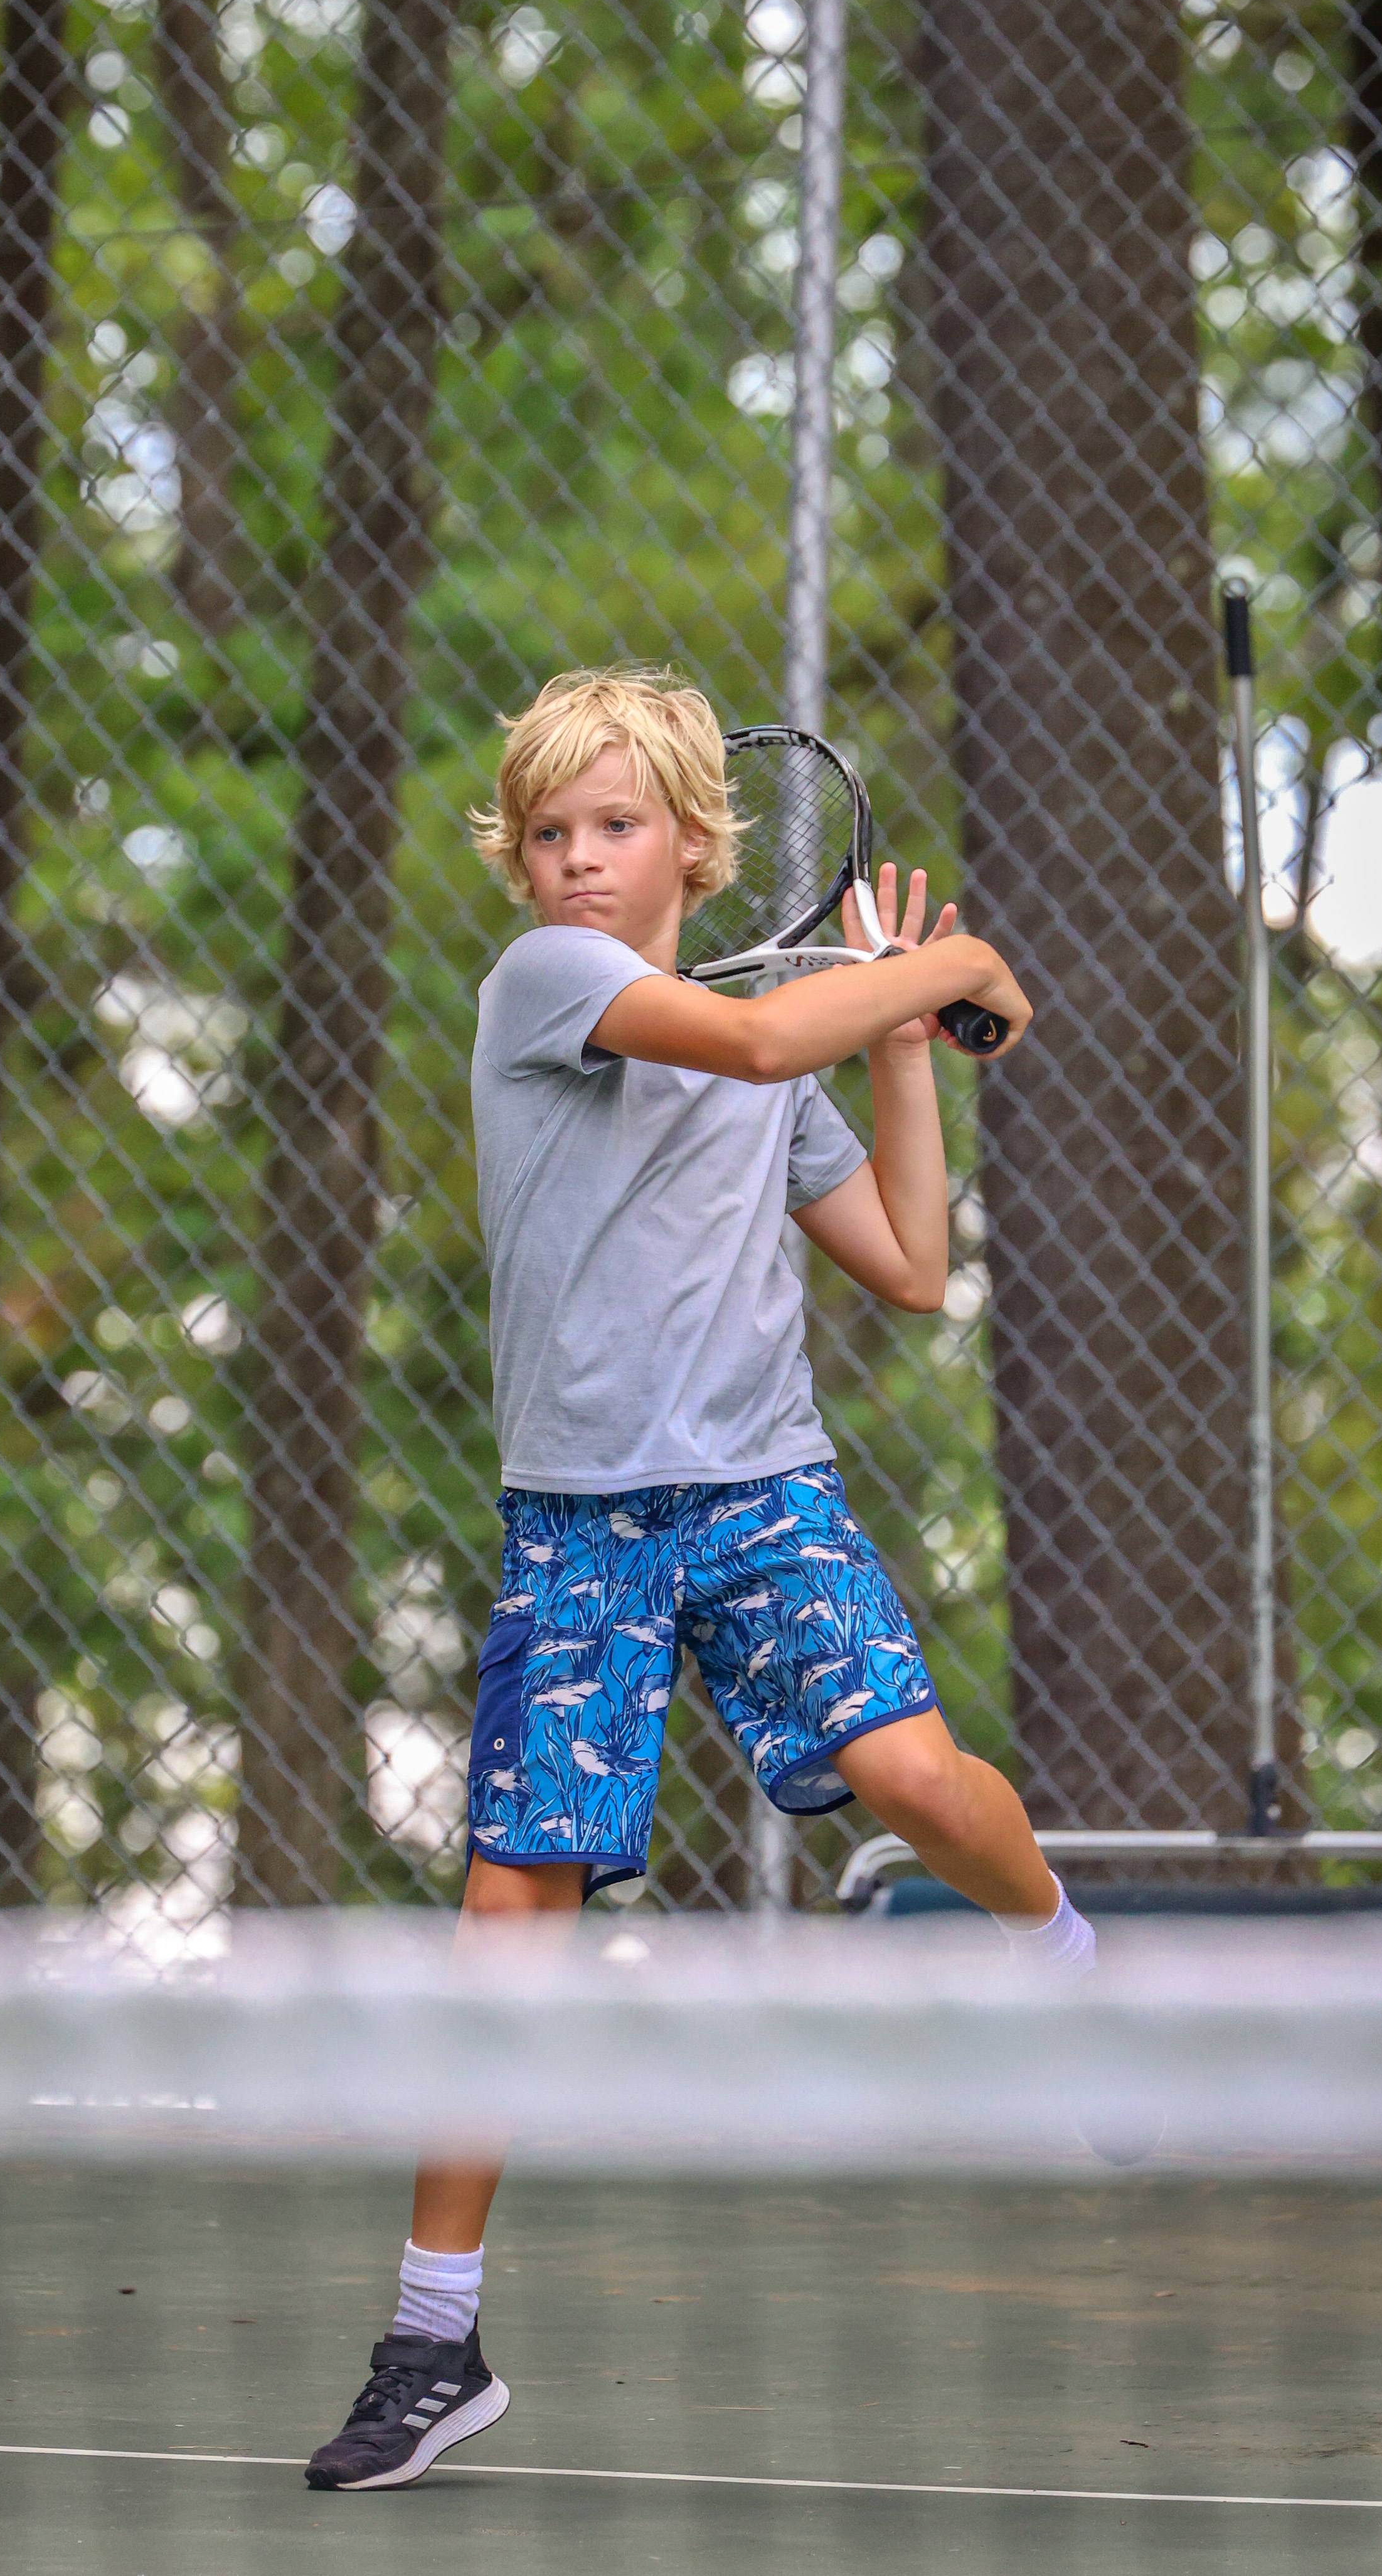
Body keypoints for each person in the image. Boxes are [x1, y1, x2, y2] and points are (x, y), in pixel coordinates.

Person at [305, 668, 1087, 2494]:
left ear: (695, 845)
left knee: (914, 1784)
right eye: (549, 833)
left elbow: (910, 1265)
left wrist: (904, 1044)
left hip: (762, 1505)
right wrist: (959, 970)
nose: (578, 859)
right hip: (579, 1530)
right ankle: (431, 2342)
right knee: (511, 1917)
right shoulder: (547, 985)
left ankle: (1062, 1954)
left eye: (617, 826)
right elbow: (748, 1042)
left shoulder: (785, 1045)